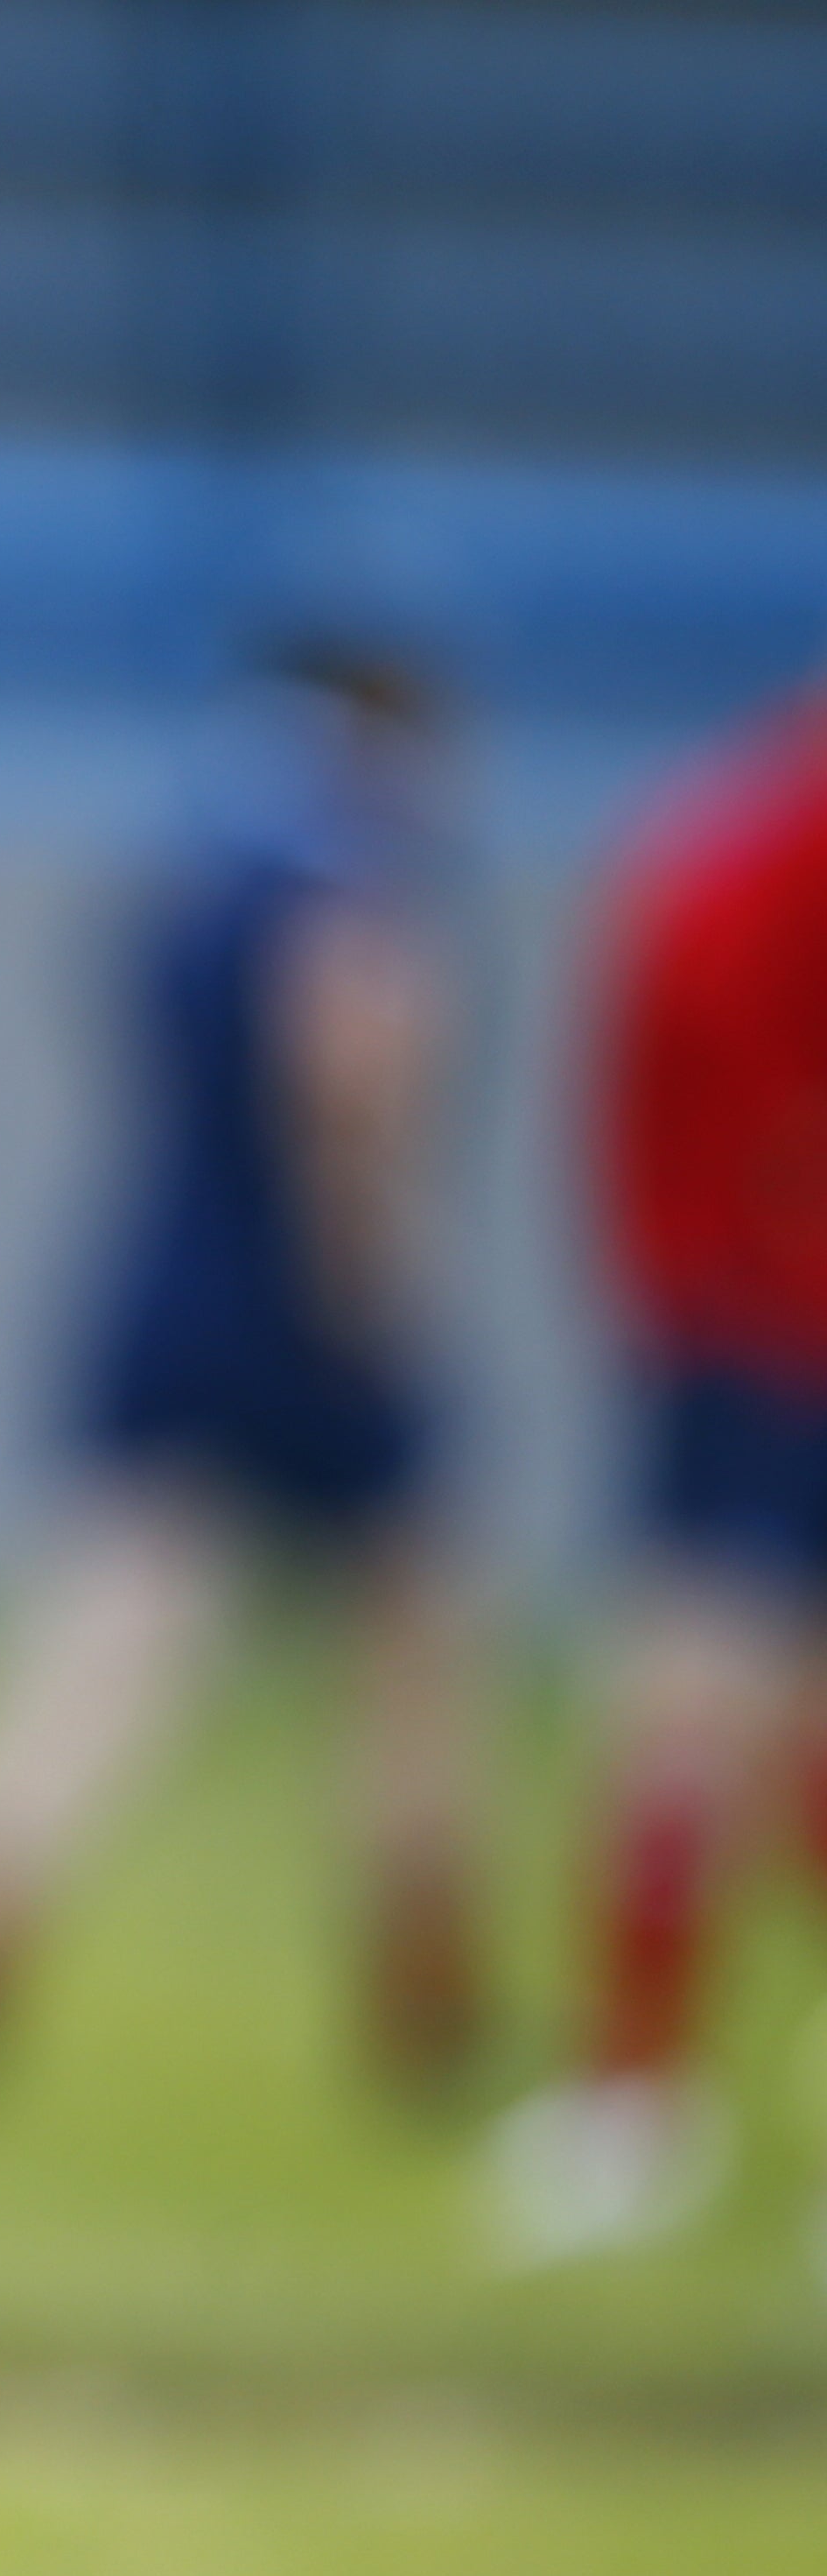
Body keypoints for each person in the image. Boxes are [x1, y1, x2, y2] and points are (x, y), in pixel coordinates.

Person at [0, 643, 487, 2097]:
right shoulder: (350, 871)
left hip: (169, 1278)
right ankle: (428, 1984)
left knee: (114, 1639)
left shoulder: (193, 862)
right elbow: (352, 1065)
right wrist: (372, 1277)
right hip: (309, 1297)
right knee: (413, 1648)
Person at [487, 673, 827, 2269]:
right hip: (754, 1336)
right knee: (706, 1724)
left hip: (745, 1331)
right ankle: (635, 2100)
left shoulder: (727, 833)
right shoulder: (756, 845)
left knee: (696, 1722)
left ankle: (636, 2104)